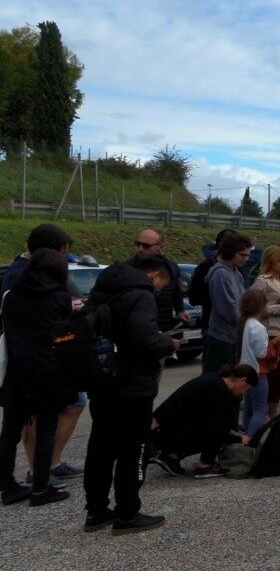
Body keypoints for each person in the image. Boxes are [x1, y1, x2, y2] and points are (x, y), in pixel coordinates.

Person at [83, 255, 180, 535]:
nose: (160, 291)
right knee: (133, 448)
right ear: (155, 276)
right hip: (133, 385)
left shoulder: (100, 292)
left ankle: (97, 510)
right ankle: (127, 513)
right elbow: (142, 340)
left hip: (102, 381)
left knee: (100, 447)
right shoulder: (141, 296)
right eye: (163, 284)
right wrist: (167, 341)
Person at [1, 223, 87, 489]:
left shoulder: (23, 287)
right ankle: (38, 479)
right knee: (38, 420)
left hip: (25, 367)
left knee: (70, 406)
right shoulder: (28, 282)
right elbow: (47, 328)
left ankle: (39, 470)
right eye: (62, 253)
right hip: (41, 367)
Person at [150, 365, 258, 478]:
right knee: (218, 433)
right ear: (243, 380)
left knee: (220, 428)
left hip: (163, 430)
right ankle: (205, 465)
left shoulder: (216, 381)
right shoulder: (218, 391)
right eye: (248, 389)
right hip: (163, 433)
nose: (245, 393)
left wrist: (235, 433)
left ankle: (171, 456)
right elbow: (215, 429)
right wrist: (239, 439)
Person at [249, 246, 280, 417]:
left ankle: (274, 409)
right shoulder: (263, 280)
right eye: (279, 260)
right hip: (271, 330)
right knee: (270, 373)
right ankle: (262, 408)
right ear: (270, 262)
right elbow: (254, 307)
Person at [203, 232, 253, 373]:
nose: (246, 259)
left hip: (232, 337)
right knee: (219, 384)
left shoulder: (235, 271)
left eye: (248, 255)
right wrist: (249, 325)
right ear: (231, 252)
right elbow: (229, 311)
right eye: (242, 255)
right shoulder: (221, 274)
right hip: (221, 338)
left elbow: (243, 301)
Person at [125, 227, 190, 332]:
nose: (140, 249)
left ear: (160, 246)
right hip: (136, 328)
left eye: (146, 246)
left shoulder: (171, 267)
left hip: (163, 324)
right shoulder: (126, 268)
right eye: (138, 244)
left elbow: (176, 290)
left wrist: (180, 310)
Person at [235, 289, 272, 437]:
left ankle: (245, 434)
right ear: (261, 306)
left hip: (245, 369)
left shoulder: (245, 323)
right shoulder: (258, 327)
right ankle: (250, 440)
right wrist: (273, 349)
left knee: (249, 408)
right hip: (258, 372)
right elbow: (261, 353)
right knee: (260, 410)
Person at [188, 228, 234, 337]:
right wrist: (219, 299)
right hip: (213, 327)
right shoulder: (206, 267)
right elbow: (194, 298)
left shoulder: (237, 268)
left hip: (233, 327)